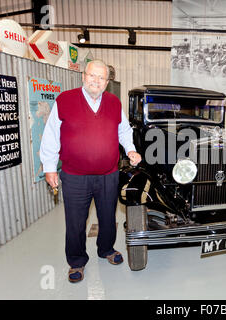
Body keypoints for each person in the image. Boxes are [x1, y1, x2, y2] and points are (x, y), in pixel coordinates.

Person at [40, 59, 142, 283]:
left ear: (107, 82)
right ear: (83, 76)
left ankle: (106, 249)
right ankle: (76, 261)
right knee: (75, 221)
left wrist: (131, 150)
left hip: (107, 174)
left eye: (101, 77)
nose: (96, 80)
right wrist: (49, 168)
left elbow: (123, 131)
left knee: (108, 217)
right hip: (75, 176)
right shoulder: (65, 100)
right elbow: (51, 136)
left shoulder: (114, 103)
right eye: (92, 75)